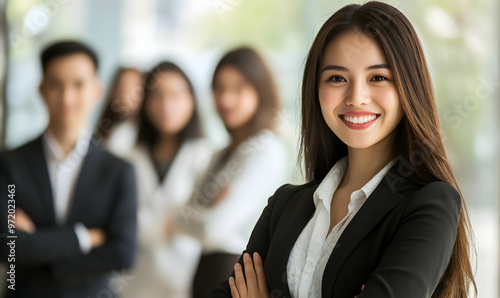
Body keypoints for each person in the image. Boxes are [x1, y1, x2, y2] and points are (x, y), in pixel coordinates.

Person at [212, 2, 477, 298]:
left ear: (409, 87)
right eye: (337, 78)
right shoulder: (283, 206)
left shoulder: (430, 205)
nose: (356, 97)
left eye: (378, 77)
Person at [0, 41, 137, 298]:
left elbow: (123, 253)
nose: (67, 97)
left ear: (97, 90)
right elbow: (5, 246)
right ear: (41, 89)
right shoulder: (9, 164)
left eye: (78, 84)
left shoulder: (119, 171)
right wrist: (84, 239)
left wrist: (38, 247)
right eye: (56, 84)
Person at [171, 47, 289, 298]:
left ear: (260, 90)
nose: (226, 99)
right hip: (205, 277)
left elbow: (212, 229)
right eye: (219, 88)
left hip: (237, 281)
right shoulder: (220, 154)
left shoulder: (266, 149)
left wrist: (191, 217)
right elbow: (183, 216)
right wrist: (196, 214)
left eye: (238, 88)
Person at [122, 62, 213, 298]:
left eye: (175, 94)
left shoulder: (206, 156)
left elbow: (208, 222)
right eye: (157, 95)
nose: (166, 105)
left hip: (184, 280)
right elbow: (119, 218)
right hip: (133, 282)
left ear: (192, 100)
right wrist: (172, 222)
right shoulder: (129, 155)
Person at [97, 67, 143, 157]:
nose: (125, 94)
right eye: (121, 87)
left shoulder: (140, 135)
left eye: (133, 87)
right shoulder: (105, 128)